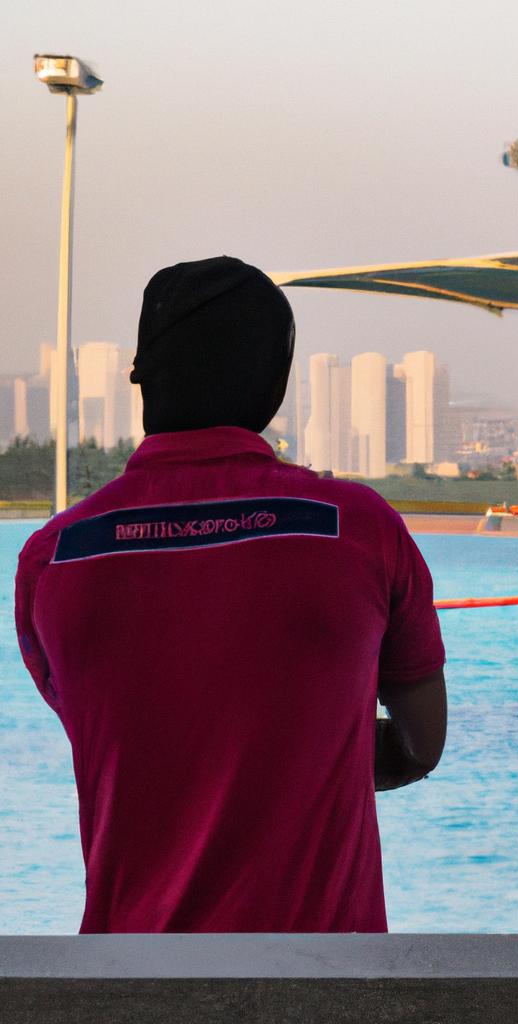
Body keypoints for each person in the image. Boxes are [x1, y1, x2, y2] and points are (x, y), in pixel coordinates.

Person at [14, 256, 446, 933]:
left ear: (141, 380)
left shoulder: (54, 559)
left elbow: (128, 734)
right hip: (326, 986)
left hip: (125, 984)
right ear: (274, 384)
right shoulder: (359, 530)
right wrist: (319, 750)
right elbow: (423, 744)